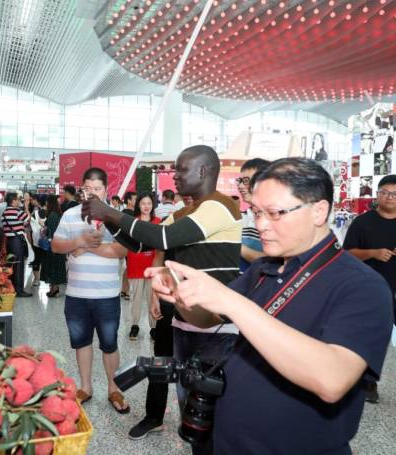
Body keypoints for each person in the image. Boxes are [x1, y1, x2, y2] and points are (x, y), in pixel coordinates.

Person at [148, 158, 393, 455]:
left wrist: (232, 301)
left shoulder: (362, 286)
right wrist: (182, 296)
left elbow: (332, 379)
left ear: (319, 211)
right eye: (256, 213)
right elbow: (208, 318)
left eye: (275, 213)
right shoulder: (264, 268)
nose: (261, 225)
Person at [81, 145, 241, 452]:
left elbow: (162, 238)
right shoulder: (183, 213)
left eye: (182, 169)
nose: (175, 176)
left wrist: (110, 212)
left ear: (204, 171)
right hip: (185, 320)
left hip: (216, 328)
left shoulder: (219, 206)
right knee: (193, 414)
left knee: (213, 416)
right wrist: (107, 218)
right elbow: (142, 244)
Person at [52, 168, 130, 414]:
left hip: (107, 294)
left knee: (110, 343)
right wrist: (77, 242)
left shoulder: (115, 217)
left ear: (106, 190)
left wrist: (85, 247)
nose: (92, 193)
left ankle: (114, 388)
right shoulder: (70, 215)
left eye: (97, 189)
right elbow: (55, 245)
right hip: (76, 294)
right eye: (88, 188)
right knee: (81, 342)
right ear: (81, 189)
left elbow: (120, 251)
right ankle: (85, 387)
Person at [343, 174, 396, 404]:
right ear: (377, 194)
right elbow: (347, 253)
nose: (389, 197)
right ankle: (369, 382)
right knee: (373, 338)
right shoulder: (362, 223)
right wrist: (373, 253)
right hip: (372, 291)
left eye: (394, 194)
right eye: (385, 192)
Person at [126, 192, 161, 340]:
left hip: (153, 265)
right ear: (138, 205)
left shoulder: (158, 221)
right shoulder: (132, 222)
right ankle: (134, 325)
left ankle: (154, 327)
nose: (146, 206)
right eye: (143, 203)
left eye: (149, 203)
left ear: (153, 205)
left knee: (153, 298)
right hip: (136, 264)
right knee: (136, 298)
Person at [237, 158, 271, 271]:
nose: (241, 186)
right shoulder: (239, 217)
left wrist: (237, 247)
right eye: (240, 181)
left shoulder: (277, 220)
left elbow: (274, 263)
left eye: (246, 181)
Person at [2, 192, 32, 297]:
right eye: (18, 199)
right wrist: (26, 207)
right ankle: (19, 290)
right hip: (17, 241)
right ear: (13, 201)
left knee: (11, 264)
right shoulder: (17, 211)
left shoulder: (5, 212)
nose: (19, 201)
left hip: (9, 241)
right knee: (19, 265)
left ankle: (11, 287)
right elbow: (28, 219)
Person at [40, 195, 67, 297]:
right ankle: (53, 288)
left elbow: (51, 231)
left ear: (49, 203)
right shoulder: (58, 213)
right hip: (59, 244)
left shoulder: (52, 215)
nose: (46, 204)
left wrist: (44, 228)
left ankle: (54, 289)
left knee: (52, 266)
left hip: (53, 245)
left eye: (47, 202)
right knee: (56, 265)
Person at [121, 191, 138, 300]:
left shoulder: (123, 212)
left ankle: (124, 289)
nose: (137, 201)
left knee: (128, 266)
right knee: (130, 267)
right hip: (130, 243)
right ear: (129, 200)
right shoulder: (130, 214)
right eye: (135, 199)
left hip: (125, 243)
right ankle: (127, 291)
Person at [29, 194, 46, 287]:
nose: (31, 201)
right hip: (44, 239)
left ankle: (37, 279)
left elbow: (28, 222)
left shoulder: (37, 212)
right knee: (39, 258)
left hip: (38, 238)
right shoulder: (38, 210)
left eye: (32, 199)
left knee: (37, 258)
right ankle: (39, 279)